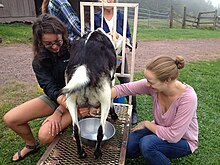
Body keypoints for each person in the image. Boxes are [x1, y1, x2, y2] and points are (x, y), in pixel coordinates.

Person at [2, 14, 90, 162]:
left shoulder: (75, 49)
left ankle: (60, 150)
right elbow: (48, 87)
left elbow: (80, 85)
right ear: (39, 42)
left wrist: (59, 111)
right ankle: (31, 145)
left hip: (77, 99)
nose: (55, 46)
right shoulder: (39, 60)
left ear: (63, 34)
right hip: (57, 98)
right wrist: (58, 107)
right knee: (11, 118)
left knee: (45, 135)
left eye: (58, 41)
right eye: (48, 44)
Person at [111, 56, 198, 164]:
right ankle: (153, 150)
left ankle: (154, 151)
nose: (147, 84)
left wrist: (147, 124)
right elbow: (122, 89)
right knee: (127, 148)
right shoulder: (154, 86)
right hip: (161, 128)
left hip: (183, 140)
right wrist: (97, 96)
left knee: (148, 144)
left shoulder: (188, 98)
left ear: (167, 80)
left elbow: (174, 136)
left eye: (150, 81)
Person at [94, 0, 138, 124]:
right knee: (102, 83)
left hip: (119, 56)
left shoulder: (121, 15)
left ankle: (133, 110)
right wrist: (106, 37)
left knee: (126, 81)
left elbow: (130, 37)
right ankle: (103, 110)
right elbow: (92, 37)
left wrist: (123, 38)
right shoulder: (95, 16)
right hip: (102, 58)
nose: (108, 0)